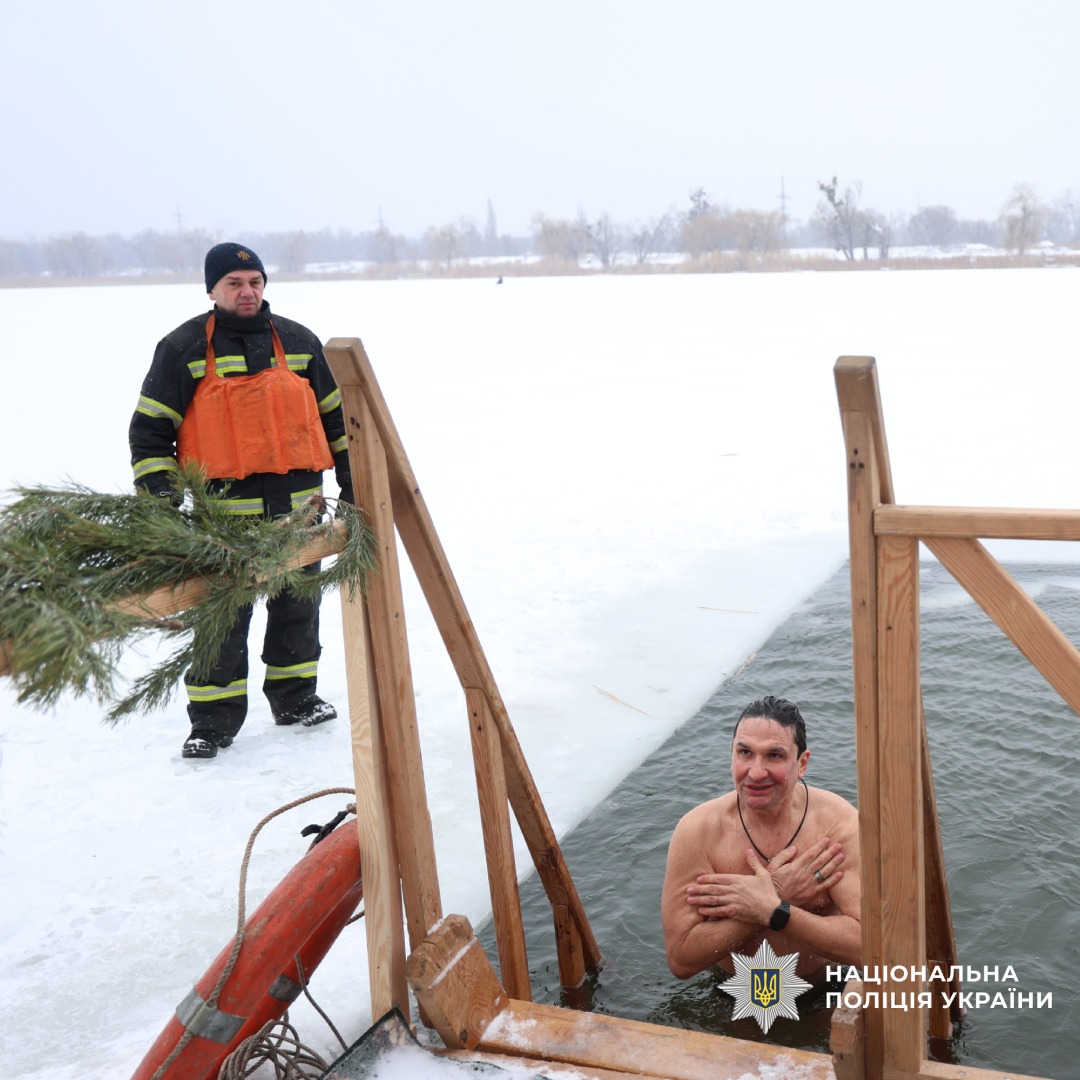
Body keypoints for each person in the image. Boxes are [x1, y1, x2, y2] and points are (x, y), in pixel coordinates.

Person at [129, 242, 352, 760]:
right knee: (222, 622)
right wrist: (162, 507)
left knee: (298, 611)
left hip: (301, 514)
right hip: (222, 524)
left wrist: (353, 483)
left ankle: (296, 698)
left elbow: (338, 423)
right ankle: (212, 720)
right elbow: (150, 434)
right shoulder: (182, 347)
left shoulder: (299, 342)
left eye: (254, 282)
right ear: (212, 289)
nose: (246, 292)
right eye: (234, 283)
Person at [661, 695, 861, 981]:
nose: (755, 773)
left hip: (819, 994)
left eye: (774, 755)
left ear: (802, 763)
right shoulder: (698, 831)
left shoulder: (836, 824)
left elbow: (868, 947)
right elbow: (681, 960)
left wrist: (776, 910)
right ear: (731, 755)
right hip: (732, 993)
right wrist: (778, 895)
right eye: (745, 753)